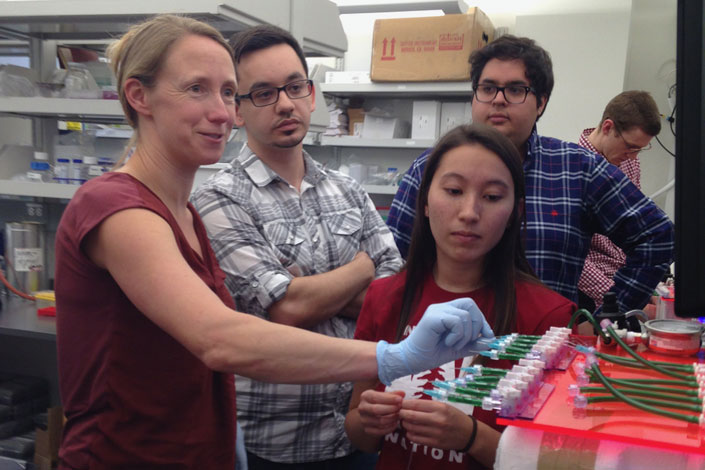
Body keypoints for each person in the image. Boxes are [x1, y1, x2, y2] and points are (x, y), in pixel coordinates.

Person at [53, 15, 493, 470]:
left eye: (226, 91)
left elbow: (383, 291)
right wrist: (391, 355)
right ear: (138, 96)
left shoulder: (183, 216)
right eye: (196, 89)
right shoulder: (117, 207)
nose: (222, 112)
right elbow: (222, 337)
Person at [190, 24, 402, 469]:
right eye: (263, 93)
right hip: (273, 442)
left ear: (310, 93)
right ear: (238, 110)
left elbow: (394, 299)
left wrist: (313, 293)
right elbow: (286, 309)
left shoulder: (347, 190)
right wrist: (362, 268)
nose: (285, 103)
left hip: (358, 432)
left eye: (294, 86)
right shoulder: (217, 199)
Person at [386, 35, 674, 314]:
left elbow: (657, 236)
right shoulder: (429, 169)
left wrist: (606, 319)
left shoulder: (577, 170)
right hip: (442, 352)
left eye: (515, 90)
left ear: (541, 103)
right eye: (487, 88)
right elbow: (391, 264)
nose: (498, 100)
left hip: (543, 354)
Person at [345, 124, 576, 469]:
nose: (469, 212)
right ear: (424, 202)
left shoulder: (548, 318)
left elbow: (554, 461)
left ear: (515, 212)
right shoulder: (384, 296)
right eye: (453, 190)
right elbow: (358, 434)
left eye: (492, 197)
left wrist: (472, 437)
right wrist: (369, 420)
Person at [576, 90, 662, 312]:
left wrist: (646, 287)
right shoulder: (574, 169)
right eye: (631, 147)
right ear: (607, 127)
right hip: (588, 292)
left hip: (622, 278)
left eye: (640, 150)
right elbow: (573, 258)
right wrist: (618, 297)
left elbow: (635, 231)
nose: (633, 156)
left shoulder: (629, 163)